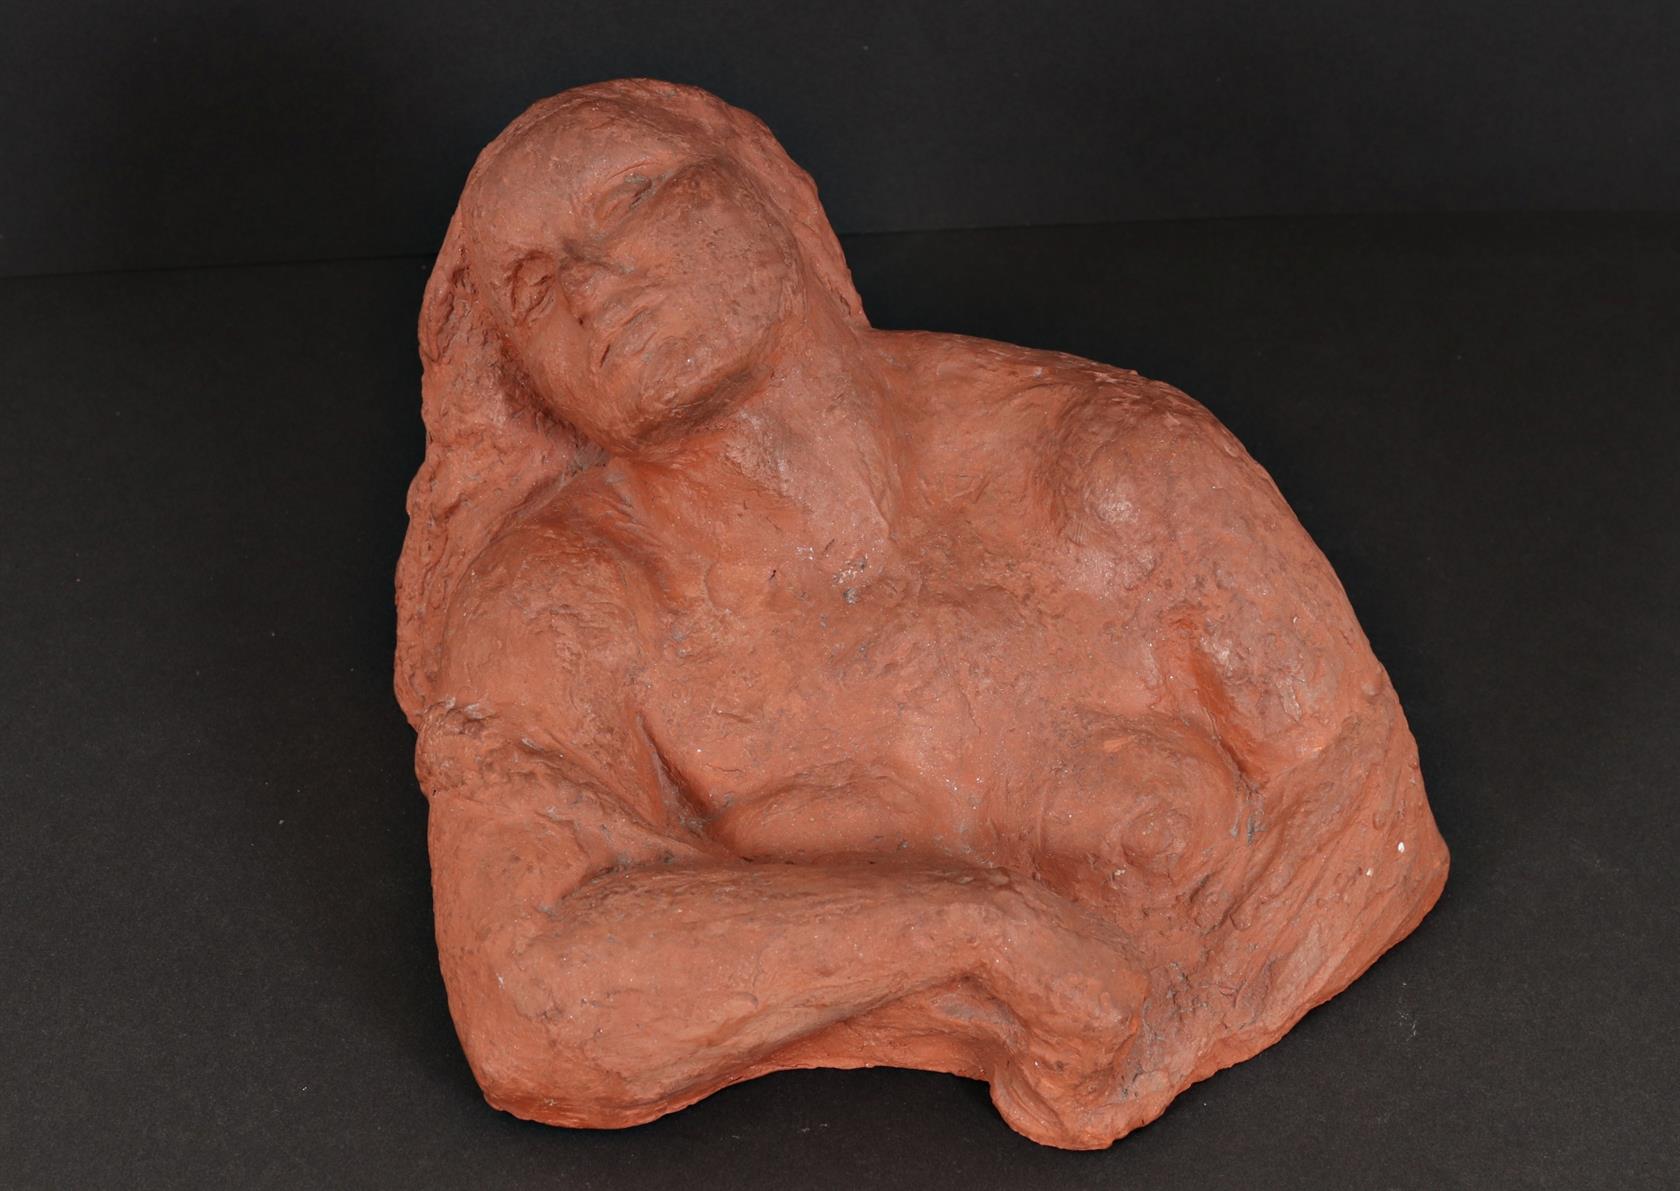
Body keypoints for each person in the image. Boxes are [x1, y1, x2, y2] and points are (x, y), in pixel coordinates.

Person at [394, 78, 1448, 1149]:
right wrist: (976, 929)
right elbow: (525, 1004)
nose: (586, 286)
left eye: (629, 195)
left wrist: (1171, 1031)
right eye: (529, 287)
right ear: (525, 377)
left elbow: (1369, 803)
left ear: (769, 194)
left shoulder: (1112, 462)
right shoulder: (558, 603)